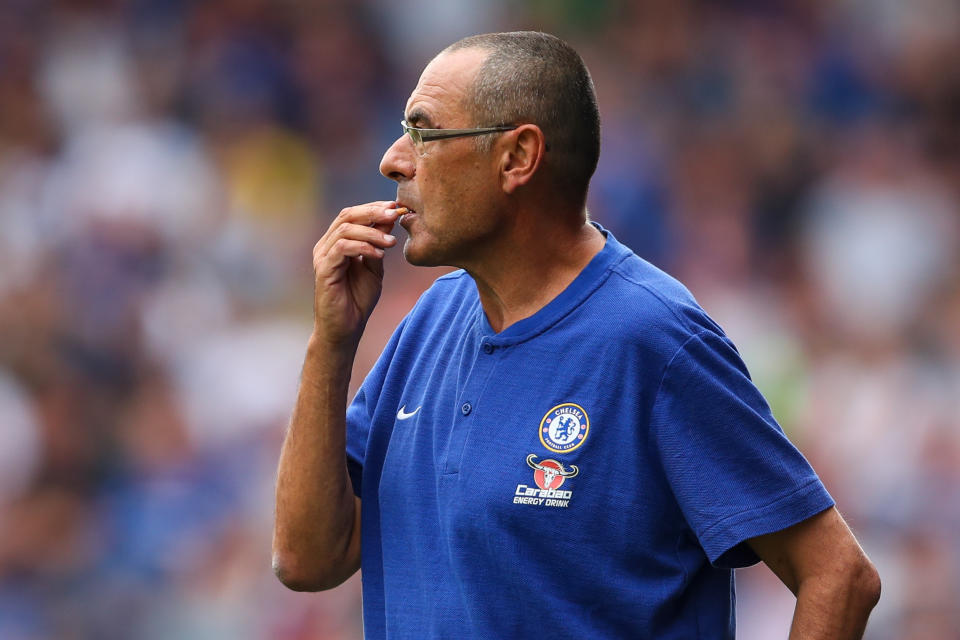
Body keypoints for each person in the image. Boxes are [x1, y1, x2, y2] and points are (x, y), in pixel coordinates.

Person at [272, 31, 881, 639]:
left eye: (424, 133)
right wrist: (331, 343)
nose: (393, 159)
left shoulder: (653, 338)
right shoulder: (430, 322)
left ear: (517, 158)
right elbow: (308, 560)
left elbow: (839, 575)